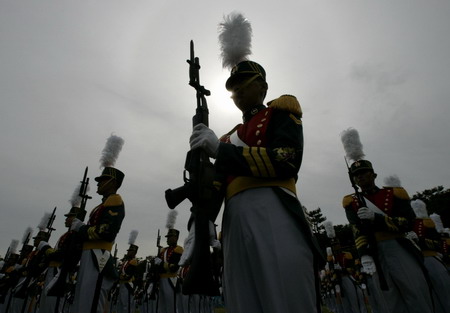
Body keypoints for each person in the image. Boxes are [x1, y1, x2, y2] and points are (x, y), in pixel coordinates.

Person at [189, 60, 324, 313]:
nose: (237, 90)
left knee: (283, 293)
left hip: (273, 208)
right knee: (242, 298)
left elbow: (287, 159)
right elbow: (215, 184)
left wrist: (221, 151)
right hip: (234, 220)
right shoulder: (229, 136)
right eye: (233, 86)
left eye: (243, 83)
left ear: (262, 86)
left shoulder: (281, 112)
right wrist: (203, 220)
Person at [342, 160, 433, 313]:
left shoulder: (393, 193)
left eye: (364, 173)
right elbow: (357, 229)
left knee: (415, 291)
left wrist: (377, 218)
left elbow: (408, 223)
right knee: (389, 300)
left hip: (398, 245)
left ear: (374, 175)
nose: (360, 177)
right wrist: (364, 254)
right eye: (356, 175)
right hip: (374, 251)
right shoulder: (352, 202)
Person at [69, 166, 125, 313]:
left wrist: (81, 228)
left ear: (113, 182)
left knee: (91, 303)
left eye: (103, 180)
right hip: (89, 255)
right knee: (82, 302)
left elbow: (105, 232)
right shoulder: (102, 205)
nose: (99, 183)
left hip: (97, 257)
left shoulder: (114, 200)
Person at [155, 229, 184, 313]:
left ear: (176, 238)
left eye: (170, 237)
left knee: (172, 305)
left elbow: (174, 268)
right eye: (167, 237)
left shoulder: (179, 249)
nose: (167, 239)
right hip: (161, 279)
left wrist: (161, 263)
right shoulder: (163, 250)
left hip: (171, 279)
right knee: (162, 306)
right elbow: (157, 267)